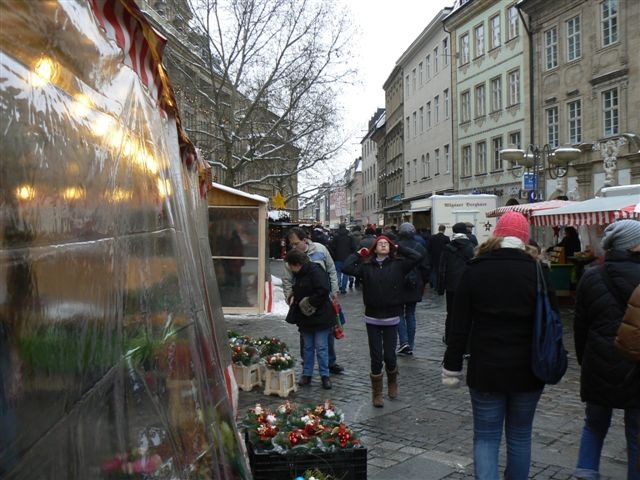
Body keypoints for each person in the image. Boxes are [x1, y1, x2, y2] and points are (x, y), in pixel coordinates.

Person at [442, 211, 556, 480]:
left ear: (497, 235)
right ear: (525, 239)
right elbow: (551, 319)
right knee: (520, 435)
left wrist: (452, 366)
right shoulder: (538, 270)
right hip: (529, 366)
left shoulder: (475, 268)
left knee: (486, 437)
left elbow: (458, 326)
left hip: (486, 367)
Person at [573, 219, 640, 480]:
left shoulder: (591, 276)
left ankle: (586, 471)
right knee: (636, 433)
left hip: (599, 363)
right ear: (634, 245)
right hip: (636, 366)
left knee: (594, 425)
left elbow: (580, 327)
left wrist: (585, 360)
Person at [342, 236, 421, 407]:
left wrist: (400, 248)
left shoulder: (399, 264)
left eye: (386, 243)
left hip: (392, 316)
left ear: (391, 247)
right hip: (373, 317)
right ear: (374, 249)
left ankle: (392, 382)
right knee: (376, 357)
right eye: (380, 243)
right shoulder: (367, 266)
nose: (383, 245)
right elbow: (347, 267)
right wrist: (358, 254)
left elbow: (417, 257)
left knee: (390, 356)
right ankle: (377, 393)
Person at [282, 227, 344, 374]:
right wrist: (290, 297)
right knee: (305, 337)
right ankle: (307, 364)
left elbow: (331, 270)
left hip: (323, 300)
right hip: (303, 304)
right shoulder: (291, 258)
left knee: (327, 333)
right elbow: (287, 280)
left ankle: (330, 362)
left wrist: (334, 290)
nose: (293, 246)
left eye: (296, 243)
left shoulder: (320, 250)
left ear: (305, 240)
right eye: (291, 244)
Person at [284, 249, 335, 390]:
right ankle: (307, 374)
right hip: (305, 317)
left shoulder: (315, 271)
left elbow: (323, 290)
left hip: (320, 316)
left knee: (321, 347)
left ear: (296, 264)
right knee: (307, 347)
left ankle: (325, 375)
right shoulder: (300, 273)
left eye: (290, 265)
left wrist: (309, 303)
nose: (290, 269)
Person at [438, 222, 475, 344]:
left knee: (451, 313)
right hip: (467, 285)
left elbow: (442, 268)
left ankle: (449, 337)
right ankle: (467, 340)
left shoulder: (448, 247)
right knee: (467, 313)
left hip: (451, 285)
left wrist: (440, 287)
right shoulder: (471, 246)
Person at [395, 222, 429, 356]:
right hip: (415, 284)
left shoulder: (395, 247)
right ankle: (410, 343)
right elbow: (426, 268)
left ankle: (404, 343)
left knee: (399, 313)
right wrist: (423, 283)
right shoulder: (420, 247)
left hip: (397, 283)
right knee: (411, 313)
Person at [329, 224, 357, 294]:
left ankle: (338, 287)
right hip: (347, 258)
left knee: (338, 272)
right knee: (345, 273)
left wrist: (334, 255)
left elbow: (332, 247)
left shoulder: (336, 237)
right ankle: (343, 289)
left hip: (337, 257)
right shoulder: (350, 237)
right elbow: (353, 247)